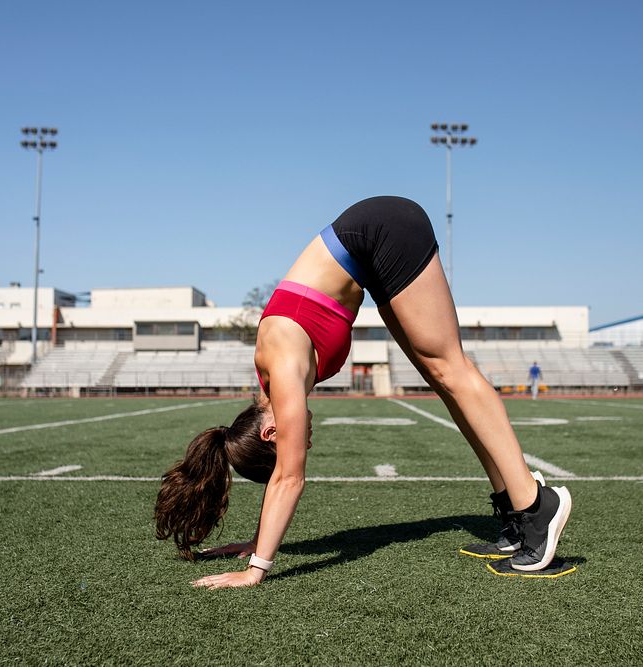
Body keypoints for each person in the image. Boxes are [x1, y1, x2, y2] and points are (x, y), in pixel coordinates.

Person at [155, 196, 572, 589]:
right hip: (369, 255)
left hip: (380, 230)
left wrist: (255, 567)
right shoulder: (277, 384)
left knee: (449, 367)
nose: (306, 443)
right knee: (439, 375)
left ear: (269, 434)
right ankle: (514, 509)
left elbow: (289, 477)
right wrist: (256, 539)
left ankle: (537, 506)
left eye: (291, 444)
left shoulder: (282, 368)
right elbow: (281, 472)